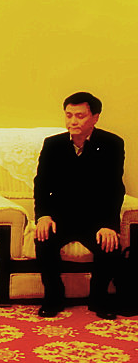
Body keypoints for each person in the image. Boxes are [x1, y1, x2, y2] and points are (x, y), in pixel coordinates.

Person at [34, 92, 124, 320]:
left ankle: (99, 297)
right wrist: (43, 216)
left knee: (110, 243)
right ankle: (54, 296)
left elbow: (114, 187)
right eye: (69, 115)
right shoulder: (53, 144)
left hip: (95, 218)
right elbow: (41, 184)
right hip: (60, 217)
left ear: (95, 117)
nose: (73, 121)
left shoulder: (112, 144)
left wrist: (109, 224)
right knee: (43, 238)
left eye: (80, 116)